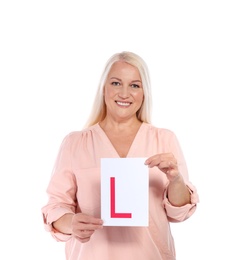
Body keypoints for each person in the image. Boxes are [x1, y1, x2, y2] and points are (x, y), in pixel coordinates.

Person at [41, 51, 199, 260]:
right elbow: (55, 206)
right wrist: (71, 223)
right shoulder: (75, 143)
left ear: (144, 93)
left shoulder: (164, 139)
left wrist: (176, 179)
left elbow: (178, 213)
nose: (124, 93)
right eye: (116, 83)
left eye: (134, 85)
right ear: (103, 89)